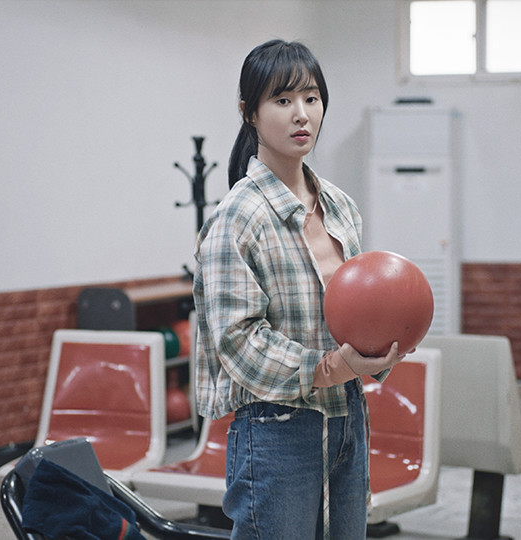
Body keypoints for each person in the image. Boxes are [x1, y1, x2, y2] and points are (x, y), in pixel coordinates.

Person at [192, 39, 407, 540]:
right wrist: (330, 367)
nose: (301, 114)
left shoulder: (340, 206)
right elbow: (238, 341)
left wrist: (382, 342)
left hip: (347, 416)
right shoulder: (237, 217)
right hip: (276, 428)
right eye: (282, 100)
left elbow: (359, 308)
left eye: (311, 98)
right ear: (249, 112)